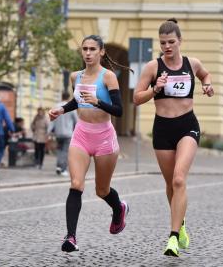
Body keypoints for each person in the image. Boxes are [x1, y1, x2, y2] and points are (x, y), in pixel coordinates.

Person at [133, 18, 214, 257]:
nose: (167, 47)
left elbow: (205, 74)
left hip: (187, 125)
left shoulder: (192, 63)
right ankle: (182, 224)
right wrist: (155, 89)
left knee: (179, 180)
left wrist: (207, 86)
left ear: (180, 41)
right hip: (163, 129)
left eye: (171, 42)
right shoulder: (152, 67)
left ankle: (173, 238)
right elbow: (137, 98)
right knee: (170, 184)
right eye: (163, 43)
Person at [48, 35, 132, 253]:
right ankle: (71, 237)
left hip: (104, 137)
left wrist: (98, 102)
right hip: (81, 135)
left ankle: (119, 207)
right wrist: (62, 109)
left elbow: (119, 111)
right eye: (84, 49)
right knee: (76, 184)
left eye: (92, 49)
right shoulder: (76, 76)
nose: (87, 53)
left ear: (101, 52)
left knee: (102, 190)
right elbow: (77, 101)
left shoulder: (108, 77)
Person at [48, 92, 78, 176]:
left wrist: (49, 131)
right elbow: (76, 121)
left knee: (59, 150)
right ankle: (63, 169)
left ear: (61, 97)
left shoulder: (56, 106)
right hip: (68, 133)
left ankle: (58, 166)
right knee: (65, 151)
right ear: (68, 97)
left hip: (58, 133)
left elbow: (52, 119)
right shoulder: (71, 107)